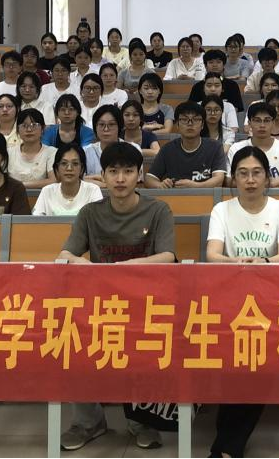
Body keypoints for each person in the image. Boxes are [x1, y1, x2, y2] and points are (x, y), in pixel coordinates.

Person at [57, 142, 174, 452]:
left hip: (145, 304)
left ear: (139, 175)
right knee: (70, 339)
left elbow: (167, 256)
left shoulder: (158, 210)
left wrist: (124, 268)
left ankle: (141, 421)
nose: (120, 179)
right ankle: (89, 422)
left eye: (128, 171)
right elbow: (65, 254)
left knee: (146, 343)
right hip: (99, 303)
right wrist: (83, 264)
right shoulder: (90, 212)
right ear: (103, 176)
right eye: (113, 172)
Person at [205, 145, 279, 459]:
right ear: (234, 178)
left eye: (257, 173)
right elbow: (212, 254)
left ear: (267, 177)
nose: (251, 180)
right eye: (243, 173)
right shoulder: (222, 210)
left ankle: (226, 448)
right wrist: (239, 263)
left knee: (259, 368)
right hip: (229, 298)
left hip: (270, 299)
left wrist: (262, 263)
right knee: (233, 368)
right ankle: (228, 447)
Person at [144, 102, 227, 188]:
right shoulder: (167, 149)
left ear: (202, 125)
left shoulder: (215, 147)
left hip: (206, 196)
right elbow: (149, 179)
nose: (190, 123)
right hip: (175, 195)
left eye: (195, 119)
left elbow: (219, 180)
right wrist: (161, 185)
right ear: (177, 125)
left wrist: (195, 186)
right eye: (184, 119)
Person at [227, 102, 279, 188]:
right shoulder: (236, 148)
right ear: (249, 123)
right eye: (257, 120)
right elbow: (228, 180)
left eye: (267, 121)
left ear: (273, 123)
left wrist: (274, 182)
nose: (262, 125)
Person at [31, 143, 104, 216]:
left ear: (82, 169)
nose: (69, 168)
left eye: (75, 164)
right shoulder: (47, 191)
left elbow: (99, 219)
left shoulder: (93, 190)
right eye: (64, 163)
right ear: (57, 168)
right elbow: (36, 220)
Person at [83, 105, 141, 185]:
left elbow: (138, 181)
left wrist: (104, 183)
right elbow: (79, 181)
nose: (106, 129)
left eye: (111, 124)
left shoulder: (133, 149)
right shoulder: (86, 151)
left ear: (119, 127)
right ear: (95, 127)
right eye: (101, 124)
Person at [8, 108, 57, 189]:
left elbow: (53, 181)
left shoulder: (52, 152)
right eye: (24, 126)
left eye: (34, 125)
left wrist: (20, 185)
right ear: (17, 130)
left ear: (43, 128)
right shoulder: (9, 152)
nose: (29, 129)